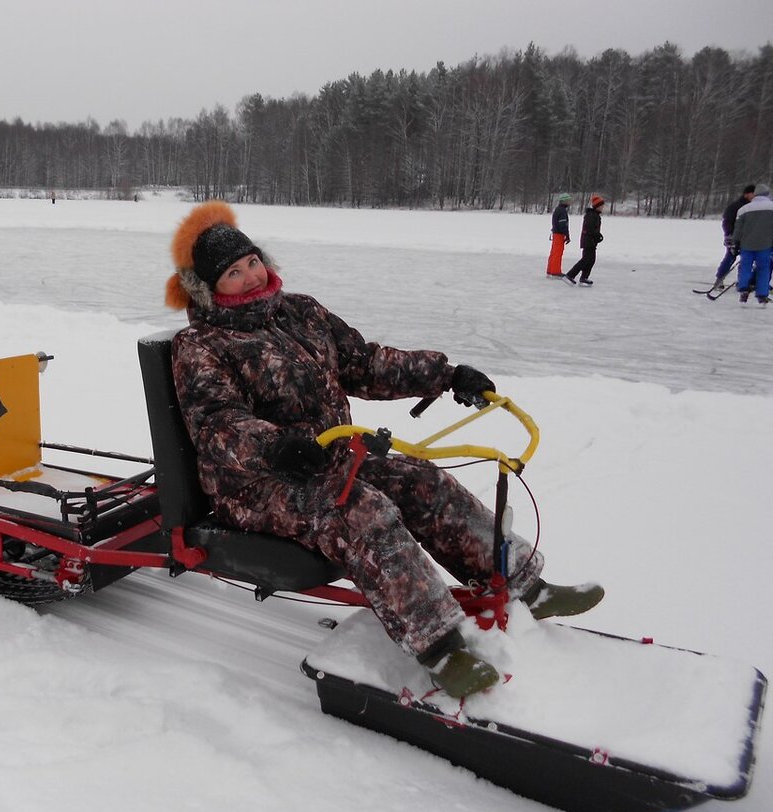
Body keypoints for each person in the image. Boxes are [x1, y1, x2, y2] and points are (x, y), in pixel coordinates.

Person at [165, 201, 603, 698]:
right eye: (231, 273)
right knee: (359, 510)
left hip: (326, 461)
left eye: (250, 263)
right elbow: (216, 423)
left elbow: (365, 362)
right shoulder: (201, 344)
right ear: (208, 287)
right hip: (257, 486)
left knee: (419, 479)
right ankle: (438, 645)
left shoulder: (300, 311)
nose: (248, 277)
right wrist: (275, 447)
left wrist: (446, 374)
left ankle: (526, 584)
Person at [733, 183, 773, 305]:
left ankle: (743, 289)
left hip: (747, 244)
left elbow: (738, 229)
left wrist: (735, 242)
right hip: (765, 245)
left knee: (745, 267)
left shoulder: (744, 209)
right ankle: (761, 294)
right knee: (763, 269)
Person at [713, 184, 756, 290]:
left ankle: (743, 281)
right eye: (753, 194)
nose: (755, 196)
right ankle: (719, 279)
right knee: (730, 257)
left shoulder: (754, 207)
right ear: (747, 194)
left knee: (746, 260)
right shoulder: (736, 206)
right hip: (734, 237)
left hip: (748, 238)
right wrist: (730, 235)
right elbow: (726, 221)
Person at [564, 195, 605, 286]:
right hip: (588, 241)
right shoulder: (591, 215)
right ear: (597, 206)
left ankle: (584, 277)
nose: (603, 208)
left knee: (591, 260)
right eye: (601, 206)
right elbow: (589, 228)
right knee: (586, 259)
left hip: (591, 241)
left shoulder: (595, 215)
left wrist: (597, 236)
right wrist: (597, 235)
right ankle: (570, 275)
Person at [546, 192, 572, 277]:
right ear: (563, 201)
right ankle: (555, 271)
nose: (569, 202)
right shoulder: (562, 211)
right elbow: (563, 224)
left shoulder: (558, 209)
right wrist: (566, 235)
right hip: (559, 235)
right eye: (568, 200)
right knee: (558, 253)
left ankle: (550, 270)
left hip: (555, 233)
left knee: (553, 252)